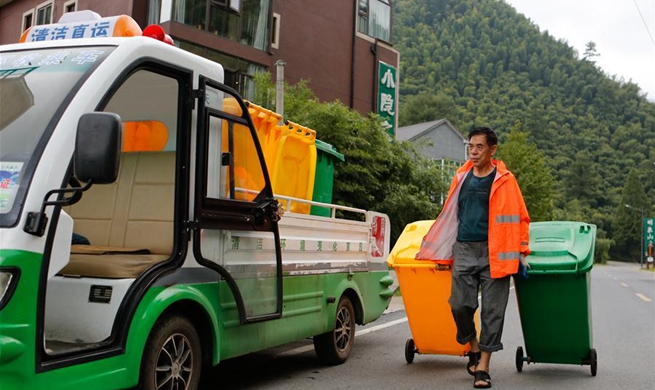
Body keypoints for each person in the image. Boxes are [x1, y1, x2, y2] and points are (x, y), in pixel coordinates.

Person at [416, 127, 530, 389]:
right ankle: (473, 345)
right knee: (459, 304)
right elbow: (449, 214)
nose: (474, 151)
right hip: (465, 249)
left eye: (479, 147)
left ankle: (484, 367)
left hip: (496, 253)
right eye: (471, 146)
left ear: (493, 149)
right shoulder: (461, 175)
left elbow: (521, 217)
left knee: (493, 312)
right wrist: (441, 249)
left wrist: (522, 250)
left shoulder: (505, 180)